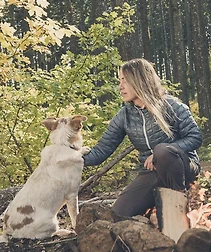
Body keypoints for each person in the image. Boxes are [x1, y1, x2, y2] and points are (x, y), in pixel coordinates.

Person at [83, 58, 203, 220]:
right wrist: (71, 158)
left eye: (124, 81)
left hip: (182, 167)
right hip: (151, 172)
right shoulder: (125, 116)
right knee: (118, 214)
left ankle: (178, 208)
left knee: (162, 151)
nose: (120, 86)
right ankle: (154, 212)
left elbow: (195, 137)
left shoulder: (171, 106)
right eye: (119, 81)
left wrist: (161, 153)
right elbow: (101, 151)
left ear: (139, 80)